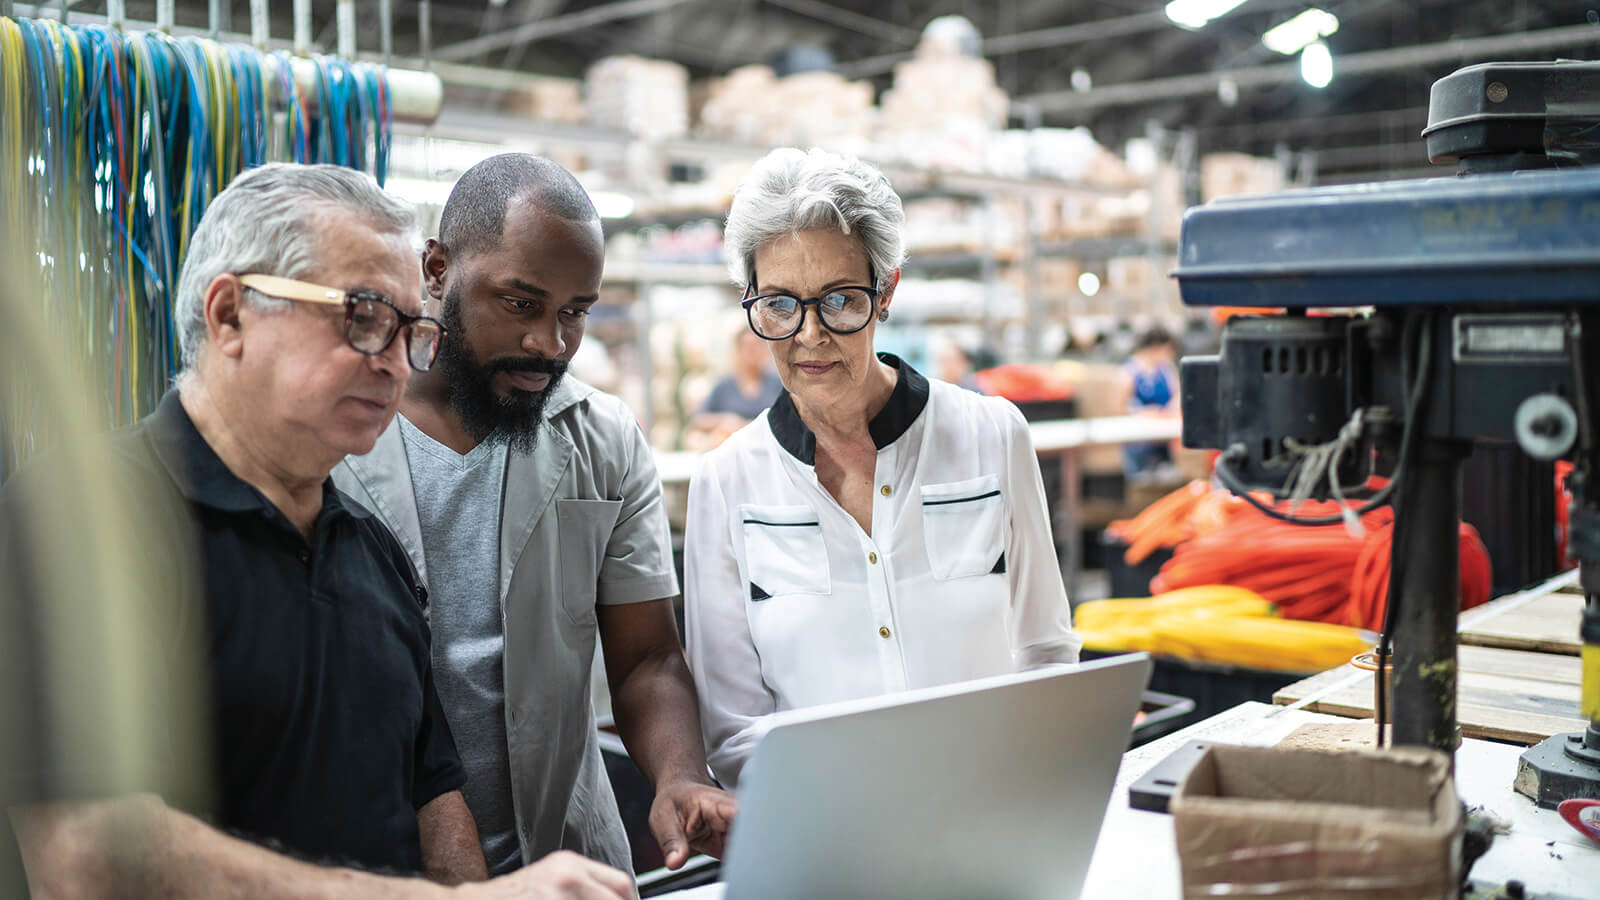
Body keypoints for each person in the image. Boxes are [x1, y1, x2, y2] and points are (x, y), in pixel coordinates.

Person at [5, 164, 635, 898]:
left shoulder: (371, 554)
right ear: (230, 315)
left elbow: (434, 802)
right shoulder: (84, 523)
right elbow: (88, 860)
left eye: (411, 332)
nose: (396, 364)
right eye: (363, 318)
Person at [334, 153, 735, 877]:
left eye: (574, 313)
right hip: (379, 870)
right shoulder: (336, 433)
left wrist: (680, 774)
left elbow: (647, 657)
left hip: (568, 859)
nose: (549, 345)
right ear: (436, 269)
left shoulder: (604, 438)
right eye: (521, 304)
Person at [682, 148, 1082, 788]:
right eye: (780, 305)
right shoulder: (727, 483)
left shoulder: (991, 437)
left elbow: (1046, 652)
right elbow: (734, 728)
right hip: (824, 849)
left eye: (840, 300)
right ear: (750, 300)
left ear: (887, 290)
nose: (810, 335)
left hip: (992, 816)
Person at [690, 328, 785, 445]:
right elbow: (698, 419)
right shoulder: (724, 386)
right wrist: (724, 419)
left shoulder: (778, 383)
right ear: (738, 351)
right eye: (748, 347)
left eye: (758, 346)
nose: (753, 352)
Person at [1116, 325, 1181, 480]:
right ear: (1155, 348)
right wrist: (1142, 413)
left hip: (1164, 438)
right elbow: (1117, 407)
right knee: (1142, 480)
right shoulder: (1128, 373)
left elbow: (1177, 394)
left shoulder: (1167, 369)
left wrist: (1171, 408)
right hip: (1139, 441)